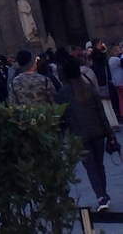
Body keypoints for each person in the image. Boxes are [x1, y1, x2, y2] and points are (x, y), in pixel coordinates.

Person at [58, 55, 116, 214]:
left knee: (90, 167)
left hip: (79, 135)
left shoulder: (63, 93)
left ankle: (101, 196)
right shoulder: (88, 88)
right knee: (99, 165)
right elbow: (101, 113)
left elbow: (61, 116)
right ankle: (104, 194)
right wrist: (110, 134)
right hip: (98, 131)